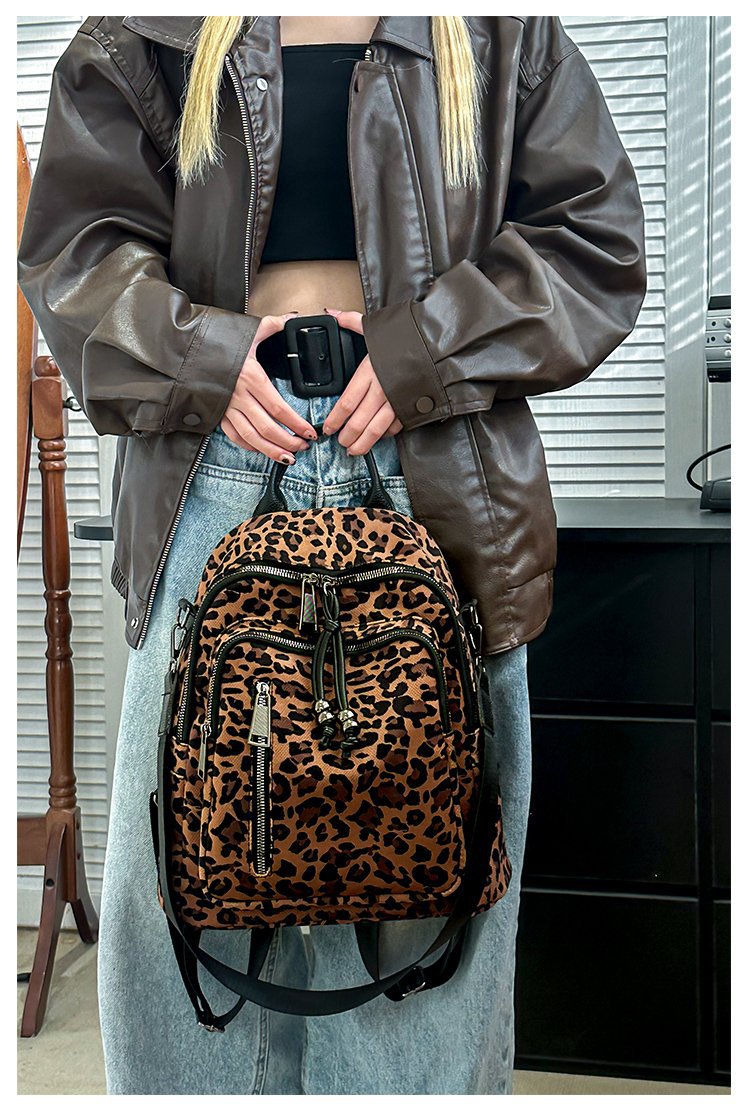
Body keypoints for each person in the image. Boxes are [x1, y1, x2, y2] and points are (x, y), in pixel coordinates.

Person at [17, 15, 647, 1095]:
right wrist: (199, 357)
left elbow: (594, 244)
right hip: (218, 470)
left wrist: (423, 351)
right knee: (182, 905)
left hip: (434, 476)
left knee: (427, 896)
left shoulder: (501, 30)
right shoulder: (149, 30)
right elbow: (75, 254)